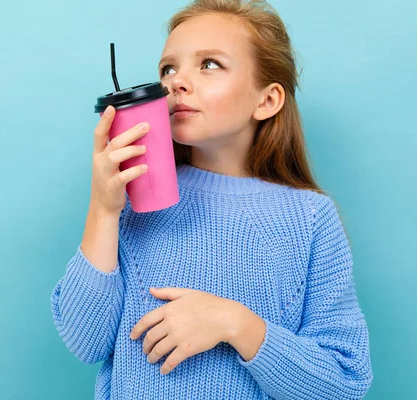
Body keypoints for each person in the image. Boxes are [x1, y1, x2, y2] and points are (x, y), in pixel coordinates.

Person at [50, 0, 373, 398]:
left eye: (210, 64)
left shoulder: (309, 218)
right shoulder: (132, 202)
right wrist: (103, 208)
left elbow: (344, 383)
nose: (176, 83)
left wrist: (234, 324)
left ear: (267, 100)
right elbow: (85, 341)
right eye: (169, 68)